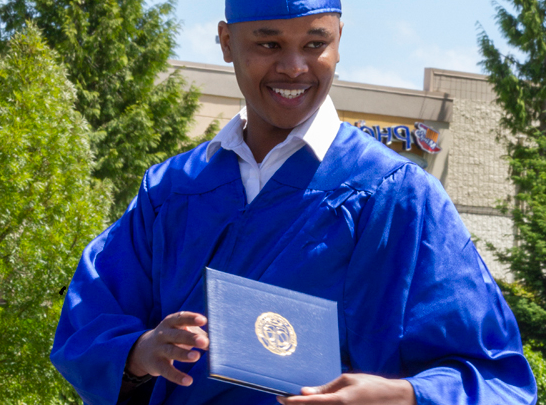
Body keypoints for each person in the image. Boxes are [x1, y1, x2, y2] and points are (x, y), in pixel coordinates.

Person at [51, 1, 538, 404]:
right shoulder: (172, 189)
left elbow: (497, 379)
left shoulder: (396, 194)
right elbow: (88, 321)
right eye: (268, 44)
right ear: (226, 42)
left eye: (315, 43)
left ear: (340, 39)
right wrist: (139, 352)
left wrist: (405, 396)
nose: (293, 67)